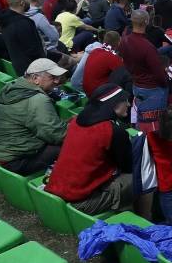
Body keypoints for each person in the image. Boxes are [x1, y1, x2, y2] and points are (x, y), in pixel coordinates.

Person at [44, 83, 137, 215]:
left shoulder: (76, 120)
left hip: (55, 188)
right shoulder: (112, 131)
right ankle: (140, 215)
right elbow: (128, 166)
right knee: (135, 178)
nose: (128, 105)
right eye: (125, 101)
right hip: (81, 202)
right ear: (114, 104)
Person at [0, 58, 70, 174]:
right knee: (70, 145)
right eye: (53, 77)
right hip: (10, 162)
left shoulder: (11, 87)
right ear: (35, 78)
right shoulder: (38, 100)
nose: (57, 82)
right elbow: (58, 135)